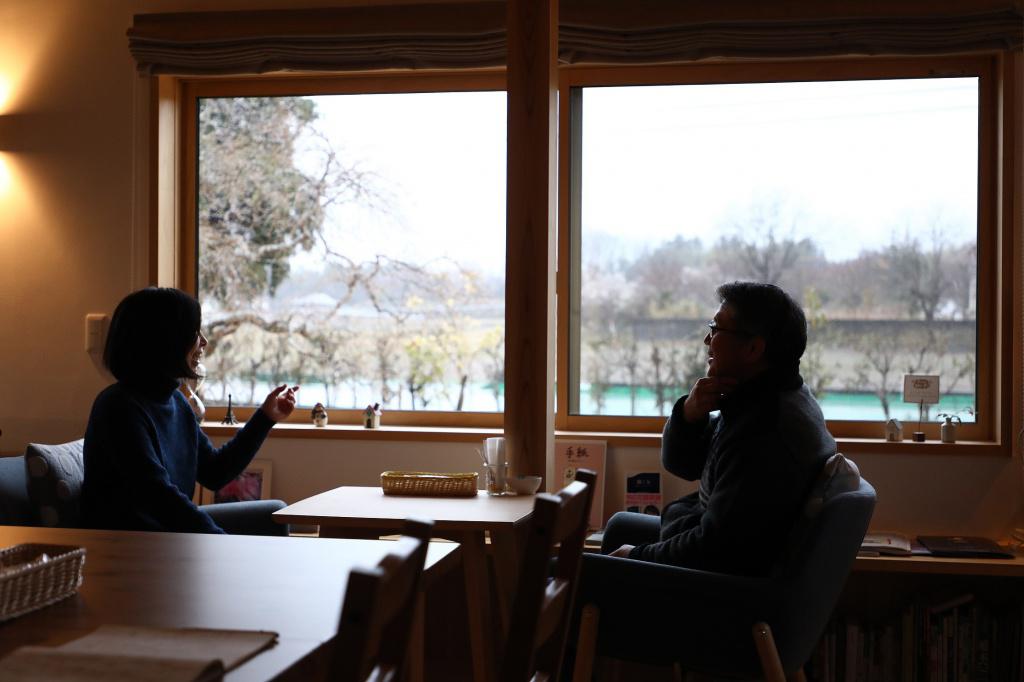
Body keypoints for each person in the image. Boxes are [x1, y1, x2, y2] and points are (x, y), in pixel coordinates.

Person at [604, 281, 835, 576]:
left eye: (715, 329)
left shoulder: (765, 431)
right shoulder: (765, 398)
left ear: (753, 348)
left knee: (578, 573)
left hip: (723, 586)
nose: (706, 340)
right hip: (719, 550)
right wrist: (690, 414)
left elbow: (715, 548)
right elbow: (684, 465)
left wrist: (638, 556)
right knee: (619, 528)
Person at [81, 287, 298, 534]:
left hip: (166, 533)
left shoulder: (176, 401)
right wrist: (220, 540)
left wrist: (266, 418)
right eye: (195, 333)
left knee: (274, 515)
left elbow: (215, 472)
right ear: (167, 340)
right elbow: (159, 498)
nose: (203, 342)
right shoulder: (118, 408)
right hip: (130, 543)